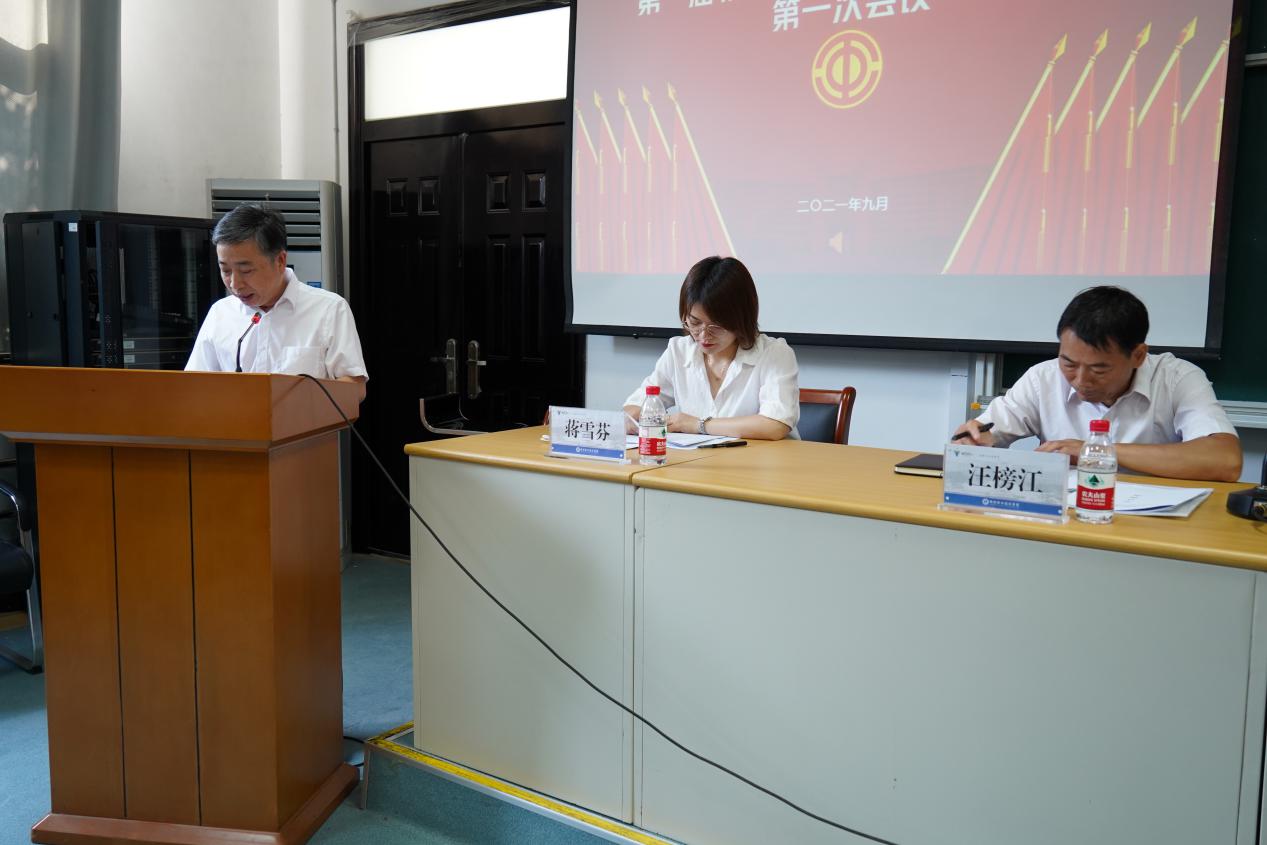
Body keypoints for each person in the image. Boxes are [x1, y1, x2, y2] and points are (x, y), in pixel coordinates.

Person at [953, 286, 1241, 481]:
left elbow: (1225, 461)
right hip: (1066, 521)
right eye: (1069, 363)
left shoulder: (1177, 379)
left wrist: (1095, 451)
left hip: (1152, 530)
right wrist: (974, 441)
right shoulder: (1043, 378)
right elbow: (987, 434)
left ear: (1138, 355)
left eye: (1099, 369)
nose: (1080, 380)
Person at [186, 204, 368, 399]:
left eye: (246, 270)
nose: (235, 284)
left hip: (302, 419)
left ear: (280, 260)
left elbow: (355, 388)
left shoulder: (329, 309)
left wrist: (295, 401)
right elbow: (194, 387)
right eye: (226, 270)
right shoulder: (220, 313)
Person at [623, 256, 799, 440]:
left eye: (716, 326)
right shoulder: (679, 351)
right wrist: (633, 417)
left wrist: (698, 425)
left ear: (741, 319)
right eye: (694, 322)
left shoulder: (775, 354)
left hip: (764, 458)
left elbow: (775, 425)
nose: (704, 334)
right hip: (699, 458)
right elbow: (636, 406)